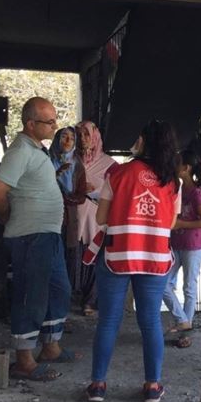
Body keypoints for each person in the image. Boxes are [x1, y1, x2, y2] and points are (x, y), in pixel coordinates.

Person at [85, 120, 181, 402]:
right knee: (150, 321)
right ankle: (152, 386)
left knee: (108, 321)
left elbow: (101, 217)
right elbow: (171, 223)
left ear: (144, 141)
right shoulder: (173, 181)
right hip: (154, 258)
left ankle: (98, 385)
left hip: (118, 255)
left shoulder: (118, 173)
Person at [0, 97, 80, 382]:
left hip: (47, 235)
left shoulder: (37, 149)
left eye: (54, 119)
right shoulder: (20, 152)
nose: (54, 126)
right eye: (48, 121)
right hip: (30, 236)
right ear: (30, 124)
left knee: (58, 290)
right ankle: (24, 360)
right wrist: (7, 216)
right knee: (31, 296)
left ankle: (51, 346)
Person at [162, 150, 201, 347]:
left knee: (189, 287)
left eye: (177, 163)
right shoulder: (179, 189)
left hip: (193, 245)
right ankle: (183, 320)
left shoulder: (197, 193)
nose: (174, 166)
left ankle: (185, 330)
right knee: (164, 284)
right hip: (177, 243)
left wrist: (181, 224)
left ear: (186, 168)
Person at [74, 121, 118, 315]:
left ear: (95, 137)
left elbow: (117, 193)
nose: (82, 139)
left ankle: (90, 301)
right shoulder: (70, 160)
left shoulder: (110, 165)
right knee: (75, 257)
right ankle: (74, 297)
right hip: (73, 218)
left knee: (94, 259)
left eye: (86, 134)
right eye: (79, 134)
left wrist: (95, 190)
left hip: (97, 220)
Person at [49, 127, 87, 308]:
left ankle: (62, 304)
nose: (67, 141)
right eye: (64, 136)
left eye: (72, 138)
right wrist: (56, 175)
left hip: (68, 220)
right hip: (47, 217)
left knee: (65, 260)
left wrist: (65, 198)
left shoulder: (77, 165)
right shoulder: (47, 160)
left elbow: (81, 195)